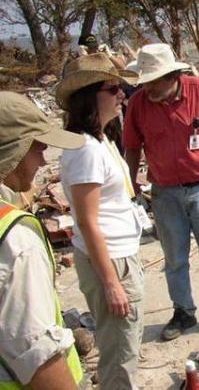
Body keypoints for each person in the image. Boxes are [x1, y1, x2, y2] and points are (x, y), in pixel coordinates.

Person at [123, 44, 199, 341]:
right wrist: (131, 183)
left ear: (172, 75)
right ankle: (183, 312)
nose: (149, 87)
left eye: (155, 80)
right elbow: (131, 145)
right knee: (174, 257)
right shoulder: (139, 103)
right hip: (165, 193)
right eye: (146, 81)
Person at [56, 53, 144, 390]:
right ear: (91, 96)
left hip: (118, 255)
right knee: (120, 352)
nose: (122, 94)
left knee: (126, 346)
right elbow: (88, 221)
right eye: (114, 89)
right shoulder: (85, 150)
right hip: (110, 261)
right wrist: (111, 282)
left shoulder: (100, 140)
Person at [0, 92, 85, 390]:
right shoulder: (16, 238)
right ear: (14, 151)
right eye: (36, 145)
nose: (44, 154)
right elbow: (36, 353)